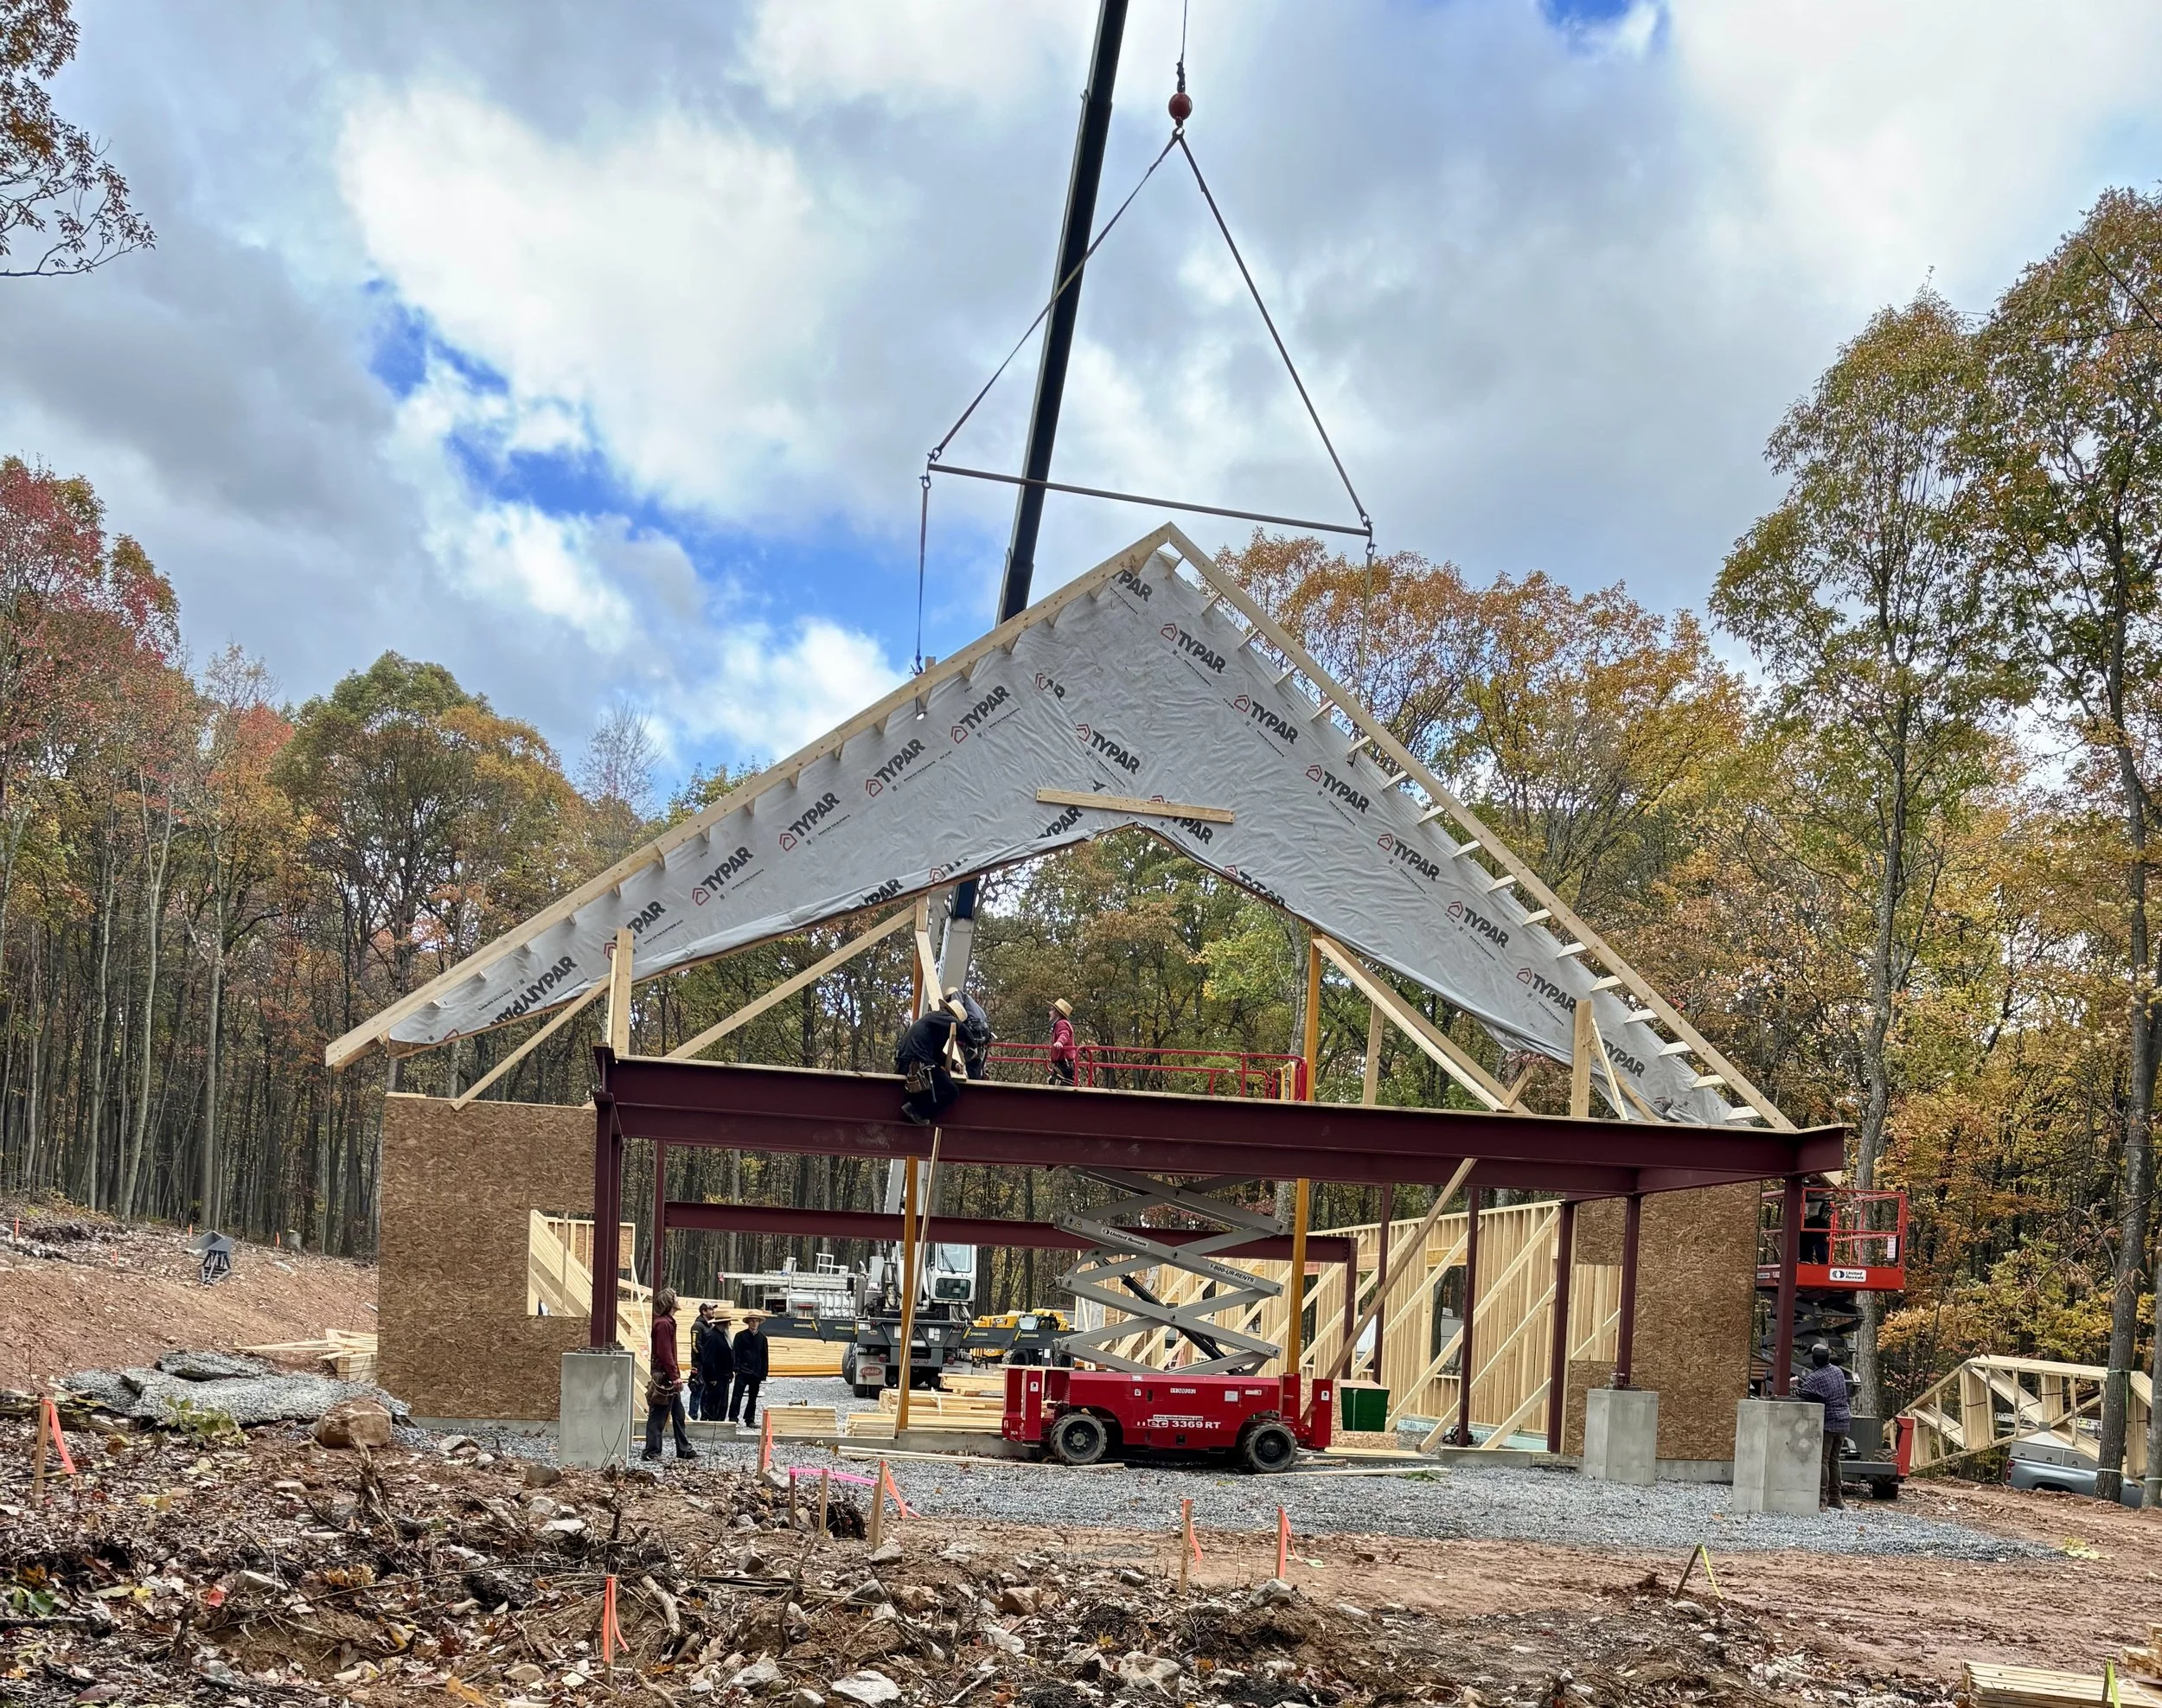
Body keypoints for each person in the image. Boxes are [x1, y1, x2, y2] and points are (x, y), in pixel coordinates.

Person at [642, 1288, 697, 1462]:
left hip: (668, 1377)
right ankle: (651, 1452)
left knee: (678, 1415)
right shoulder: (664, 1324)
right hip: (665, 1379)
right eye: (675, 1297)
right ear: (669, 1302)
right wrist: (674, 1376)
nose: (678, 1299)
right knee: (658, 1415)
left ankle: (684, 1449)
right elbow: (665, 1353)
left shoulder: (666, 1322)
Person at [1795, 1340, 1851, 1509]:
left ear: (1814, 1360)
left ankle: (1821, 1498)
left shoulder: (1814, 1378)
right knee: (1834, 1460)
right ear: (1828, 1358)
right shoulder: (1838, 1372)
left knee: (1823, 1460)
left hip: (1829, 1423)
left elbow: (1804, 1394)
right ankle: (1836, 1498)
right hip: (1844, 1420)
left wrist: (1797, 1386)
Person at [895, 996, 967, 1125]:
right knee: (951, 1091)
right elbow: (963, 1030)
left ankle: (915, 1106)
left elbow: (936, 1054)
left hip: (908, 1062)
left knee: (939, 1082)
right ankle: (916, 1110)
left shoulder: (932, 1026)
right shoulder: (937, 1020)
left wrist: (955, 1063)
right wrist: (973, 1043)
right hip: (917, 1063)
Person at [694, 1303, 736, 1423]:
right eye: (728, 1322)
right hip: (716, 1377)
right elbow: (708, 1360)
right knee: (713, 1403)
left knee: (722, 1403)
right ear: (722, 1323)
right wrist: (712, 1377)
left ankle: (719, 1422)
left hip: (724, 1376)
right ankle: (712, 1423)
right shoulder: (712, 1336)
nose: (730, 1325)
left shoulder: (724, 1336)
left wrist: (731, 1371)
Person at [729, 1310, 770, 1426]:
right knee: (737, 1396)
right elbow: (735, 1353)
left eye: (756, 1321)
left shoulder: (762, 1338)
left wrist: (764, 1373)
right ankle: (733, 1417)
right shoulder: (740, 1336)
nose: (754, 1323)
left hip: (756, 1372)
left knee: (753, 1397)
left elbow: (765, 1356)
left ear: (759, 1323)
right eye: (752, 1321)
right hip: (742, 1371)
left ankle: (749, 1419)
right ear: (748, 1322)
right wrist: (736, 1369)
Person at [951, 986, 994, 1081]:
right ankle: (976, 1080)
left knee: (970, 1059)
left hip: (973, 1029)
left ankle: (971, 1083)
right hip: (984, 1031)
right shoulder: (970, 1001)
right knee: (976, 1059)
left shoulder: (956, 995)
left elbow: (956, 1015)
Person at [1047, 997, 1077, 1087]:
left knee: (1059, 1086)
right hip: (1064, 1064)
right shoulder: (1061, 1023)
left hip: (1064, 1064)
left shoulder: (1061, 1023)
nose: (1049, 1012)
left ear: (1057, 1012)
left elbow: (1064, 1034)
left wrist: (1059, 1042)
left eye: (1051, 1010)